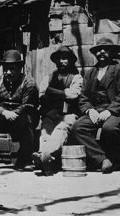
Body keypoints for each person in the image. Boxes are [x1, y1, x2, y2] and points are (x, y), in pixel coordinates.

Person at [70, 37, 120, 173]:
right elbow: (83, 97)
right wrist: (89, 110)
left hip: (119, 111)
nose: (102, 52)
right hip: (96, 111)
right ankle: (102, 159)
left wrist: (109, 111)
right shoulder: (90, 73)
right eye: (98, 50)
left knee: (109, 128)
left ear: (112, 52)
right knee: (77, 128)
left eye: (106, 49)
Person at [33, 45, 83, 176]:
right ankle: (44, 157)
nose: (61, 61)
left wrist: (51, 92)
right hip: (50, 114)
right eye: (59, 59)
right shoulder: (49, 77)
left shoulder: (76, 77)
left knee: (60, 130)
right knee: (45, 133)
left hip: (68, 114)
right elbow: (41, 94)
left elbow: (73, 95)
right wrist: (61, 94)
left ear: (71, 61)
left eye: (65, 58)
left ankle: (45, 155)